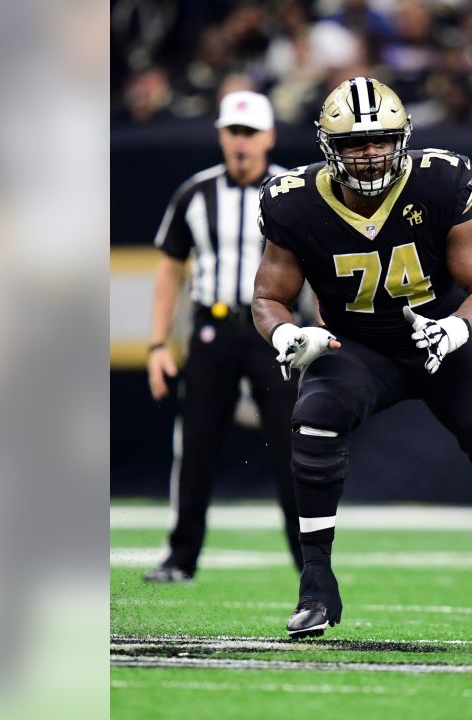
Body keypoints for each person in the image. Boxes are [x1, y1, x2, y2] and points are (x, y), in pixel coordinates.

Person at [250, 77, 472, 642]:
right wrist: (286, 335)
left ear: (403, 138)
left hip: (440, 338)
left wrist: (457, 326)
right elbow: (268, 297)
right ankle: (315, 586)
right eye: (354, 144)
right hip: (355, 346)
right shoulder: (292, 202)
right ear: (328, 147)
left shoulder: (438, 182)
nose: (369, 155)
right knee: (314, 420)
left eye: (381, 141)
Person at [144, 91, 303, 582]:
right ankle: (180, 556)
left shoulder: (293, 190)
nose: (241, 142)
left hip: (273, 331)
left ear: (269, 136)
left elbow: (317, 265)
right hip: (211, 328)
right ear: (220, 136)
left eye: (250, 132)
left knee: (293, 447)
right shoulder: (195, 192)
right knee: (195, 444)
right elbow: (170, 270)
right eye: (234, 132)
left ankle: (310, 564)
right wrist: (156, 345)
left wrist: (319, 328)